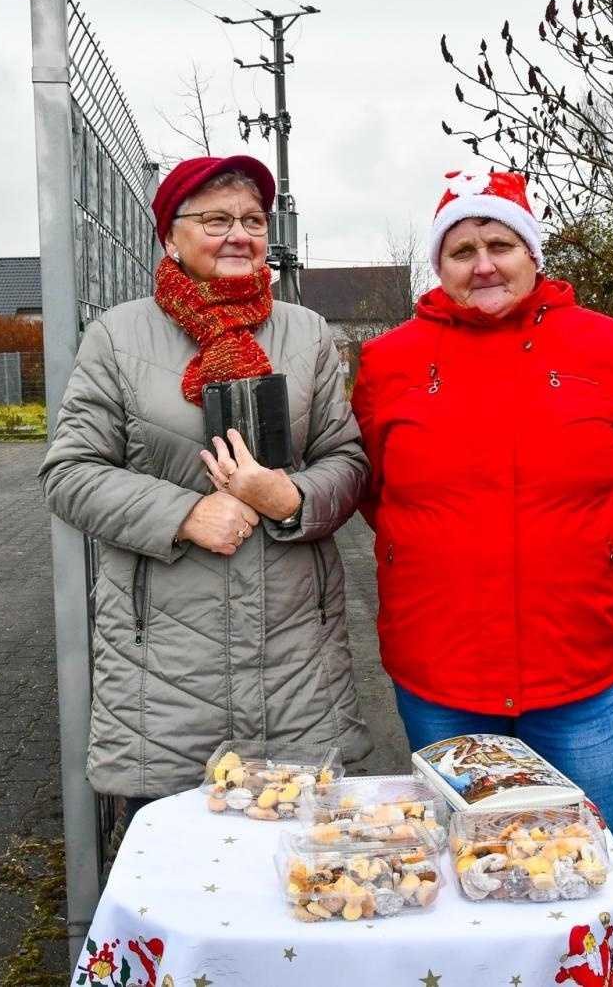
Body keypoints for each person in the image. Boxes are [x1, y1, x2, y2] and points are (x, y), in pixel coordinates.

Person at [352, 170, 613, 908]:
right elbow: (374, 488)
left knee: (601, 840)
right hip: (442, 663)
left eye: (500, 242)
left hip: (574, 656)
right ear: (441, 265)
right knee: (470, 848)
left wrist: (583, 546)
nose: (483, 263)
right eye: (462, 249)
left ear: (533, 254)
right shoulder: (390, 360)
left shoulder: (609, 346)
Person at [41, 153, 373, 815]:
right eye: (216, 218)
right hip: (163, 670)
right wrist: (187, 514)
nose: (239, 235)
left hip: (293, 661)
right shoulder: (119, 335)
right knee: (180, 885)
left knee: (308, 877)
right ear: (170, 234)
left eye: (252, 219)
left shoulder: (304, 332)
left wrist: (293, 500)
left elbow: (348, 458)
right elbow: (70, 472)